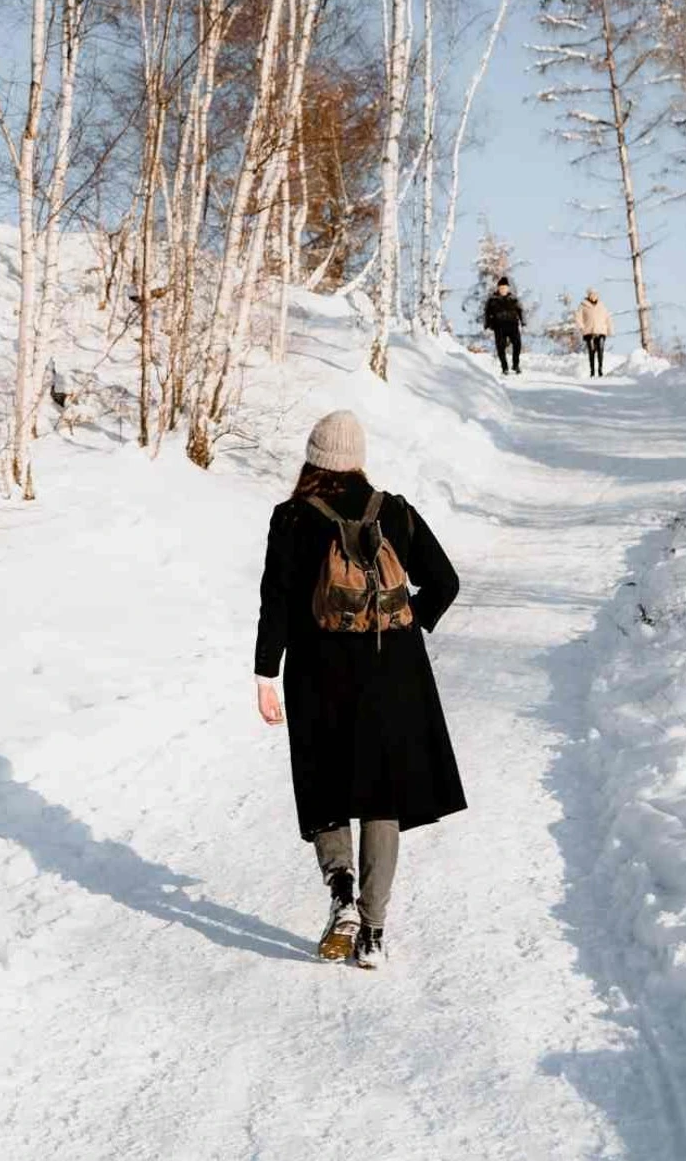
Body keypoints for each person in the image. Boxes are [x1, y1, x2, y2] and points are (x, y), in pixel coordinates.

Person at [254, 410, 464, 970]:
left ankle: (341, 895)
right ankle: (372, 931)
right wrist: (403, 623)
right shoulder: (392, 511)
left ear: (314, 458)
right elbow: (446, 581)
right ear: (357, 458)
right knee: (381, 794)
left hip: (316, 675)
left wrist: (264, 674)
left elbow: (275, 603)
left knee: (325, 784)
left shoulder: (292, 518)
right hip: (391, 673)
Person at [481, 276, 524, 375]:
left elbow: (520, 311)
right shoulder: (492, 300)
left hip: (513, 325)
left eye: (505, 288)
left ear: (508, 288)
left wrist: (523, 322)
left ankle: (515, 365)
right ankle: (504, 367)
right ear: (498, 288)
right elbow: (487, 313)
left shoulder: (513, 299)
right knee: (500, 347)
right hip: (499, 326)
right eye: (501, 288)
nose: (503, 290)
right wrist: (487, 325)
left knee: (517, 345)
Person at [576, 287, 613, 378]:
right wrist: (581, 327)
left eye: (595, 294)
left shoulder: (602, 305)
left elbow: (608, 318)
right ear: (588, 295)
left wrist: (610, 329)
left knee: (600, 350)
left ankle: (600, 370)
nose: (594, 296)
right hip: (589, 331)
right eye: (592, 294)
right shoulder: (582, 305)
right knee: (591, 351)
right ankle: (592, 371)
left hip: (601, 331)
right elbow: (578, 317)